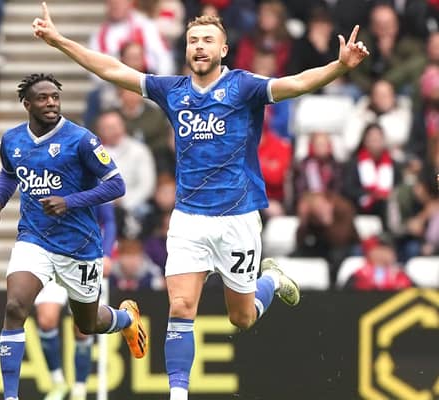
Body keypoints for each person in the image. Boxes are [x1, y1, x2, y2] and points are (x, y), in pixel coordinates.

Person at [32, 5, 369, 399]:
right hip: (189, 219)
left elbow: (295, 84)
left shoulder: (244, 87)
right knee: (180, 306)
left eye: (208, 40)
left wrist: (339, 68)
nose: (199, 46)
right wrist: (58, 40)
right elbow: (112, 69)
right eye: (193, 41)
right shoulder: (172, 90)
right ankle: (179, 394)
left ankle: (271, 280)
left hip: (237, 218)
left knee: (241, 318)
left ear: (224, 49)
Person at [0, 73, 148, 400]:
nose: (51, 104)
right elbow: (8, 172)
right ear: (27, 104)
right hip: (34, 239)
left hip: (80, 246)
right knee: (16, 306)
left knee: (89, 323)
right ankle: (11, 396)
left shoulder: (81, 139)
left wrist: (69, 201)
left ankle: (127, 319)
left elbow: (117, 186)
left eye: (55, 98)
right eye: (43, 98)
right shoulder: (12, 140)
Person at [35, 203, 117, 400]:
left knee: (83, 327)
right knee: (46, 320)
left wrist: (106, 253)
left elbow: (109, 220)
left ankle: (80, 388)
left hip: (84, 259)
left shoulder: (90, 176)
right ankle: (58, 383)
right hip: (52, 256)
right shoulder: (48, 177)